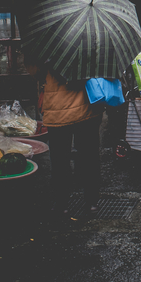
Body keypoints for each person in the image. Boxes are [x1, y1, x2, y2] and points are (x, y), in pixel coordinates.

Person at [30, 60, 103, 216]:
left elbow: (35, 71)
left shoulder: (48, 42)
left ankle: (61, 204)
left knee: (59, 159)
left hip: (58, 109)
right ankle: (92, 202)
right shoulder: (89, 38)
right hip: (87, 103)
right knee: (89, 155)